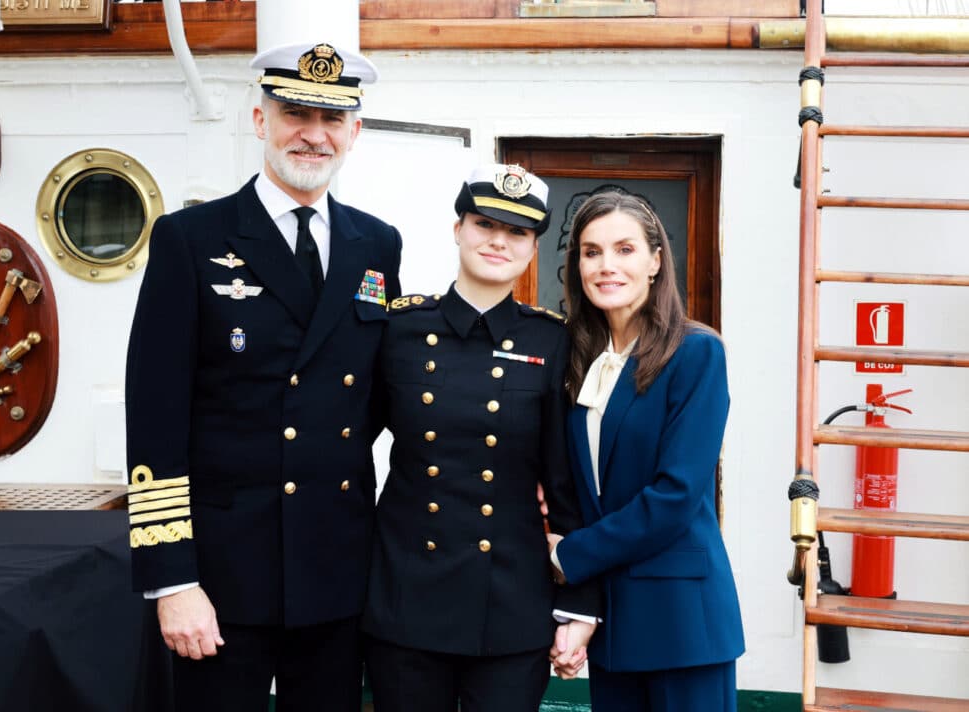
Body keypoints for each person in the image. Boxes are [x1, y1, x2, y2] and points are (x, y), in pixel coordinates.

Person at [124, 41, 402, 712]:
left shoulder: (378, 243)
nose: (313, 135)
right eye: (295, 114)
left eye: (332, 120)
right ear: (259, 121)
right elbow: (154, 416)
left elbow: (380, 396)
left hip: (336, 570)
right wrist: (171, 581)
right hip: (220, 576)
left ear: (355, 131)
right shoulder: (190, 239)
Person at [361, 164, 599, 712]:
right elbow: (345, 447)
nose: (498, 240)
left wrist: (578, 604)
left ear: (534, 246)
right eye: (484, 223)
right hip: (406, 596)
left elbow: (567, 484)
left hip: (511, 602)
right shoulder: (398, 329)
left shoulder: (553, 340)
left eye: (517, 231)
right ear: (457, 229)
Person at [547, 189, 744, 711]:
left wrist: (569, 556)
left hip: (682, 621)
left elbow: (675, 495)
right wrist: (578, 610)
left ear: (656, 261)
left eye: (625, 250)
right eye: (591, 252)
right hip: (614, 623)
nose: (606, 266)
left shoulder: (697, 352)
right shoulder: (574, 356)